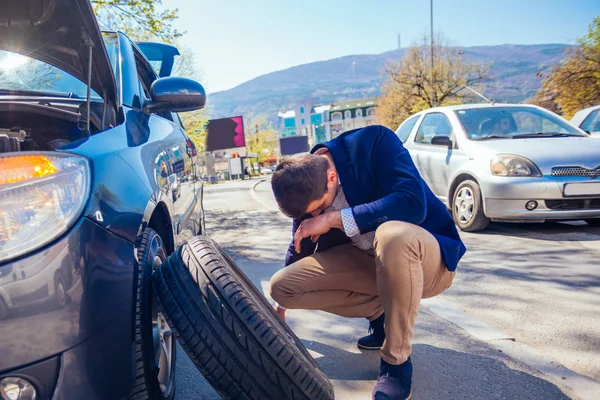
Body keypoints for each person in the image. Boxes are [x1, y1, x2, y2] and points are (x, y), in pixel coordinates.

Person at [269, 125, 466, 400]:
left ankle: (396, 363)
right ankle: (379, 316)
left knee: (392, 235)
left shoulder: (373, 142)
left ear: (332, 176)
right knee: (282, 286)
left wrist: (333, 218)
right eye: (310, 213)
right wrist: (279, 307)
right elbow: (300, 244)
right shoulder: (305, 182)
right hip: (368, 264)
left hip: (426, 262)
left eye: (319, 207)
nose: (316, 214)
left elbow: (412, 203)